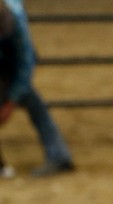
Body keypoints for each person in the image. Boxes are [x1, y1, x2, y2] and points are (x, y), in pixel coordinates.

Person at [0, 0, 75, 178]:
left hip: (11, 60)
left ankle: (58, 155)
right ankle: (59, 155)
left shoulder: (15, 20)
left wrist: (11, 102)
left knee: (32, 100)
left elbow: (25, 62)